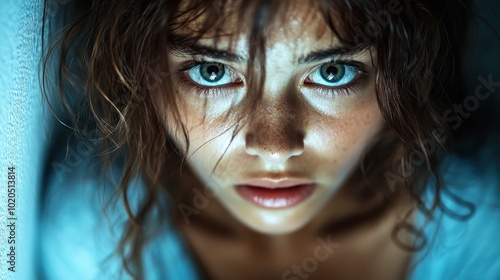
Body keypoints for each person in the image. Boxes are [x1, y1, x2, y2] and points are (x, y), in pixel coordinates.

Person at [39, 0, 500, 279]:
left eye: (332, 72)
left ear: (402, 74)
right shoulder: (94, 238)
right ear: (144, 72)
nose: (275, 146)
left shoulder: (482, 226)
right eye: (213, 72)